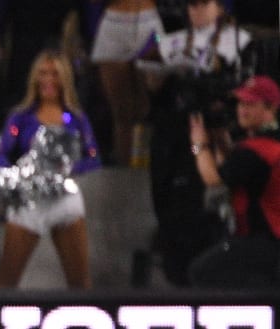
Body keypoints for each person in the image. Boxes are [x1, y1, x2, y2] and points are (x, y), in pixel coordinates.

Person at [141, 0, 252, 285]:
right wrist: (157, 76)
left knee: (204, 205)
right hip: (173, 134)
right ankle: (177, 275)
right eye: (191, 5)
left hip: (211, 133)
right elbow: (153, 90)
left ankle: (205, 275)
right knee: (169, 203)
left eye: (203, 4)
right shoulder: (172, 42)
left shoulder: (237, 41)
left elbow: (242, 90)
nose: (196, 10)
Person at [0, 52, 101, 289]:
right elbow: (1, 157)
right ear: (34, 78)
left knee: (81, 284)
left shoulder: (75, 118)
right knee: (5, 283)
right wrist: (21, 175)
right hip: (29, 201)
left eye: (54, 74)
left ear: (64, 79)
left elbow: (94, 157)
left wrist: (68, 169)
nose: (48, 79)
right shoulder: (20, 118)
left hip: (65, 199)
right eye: (43, 73)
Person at [187, 75, 280, 288]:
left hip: (264, 240)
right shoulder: (266, 142)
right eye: (240, 103)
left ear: (271, 108)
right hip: (267, 241)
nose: (242, 109)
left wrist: (198, 145)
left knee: (201, 272)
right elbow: (234, 169)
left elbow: (213, 179)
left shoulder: (258, 150)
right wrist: (220, 138)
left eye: (250, 104)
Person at [93, 0, 162, 166]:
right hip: (114, 24)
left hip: (148, 22)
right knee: (121, 114)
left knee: (150, 105)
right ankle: (125, 176)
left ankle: (152, 172)